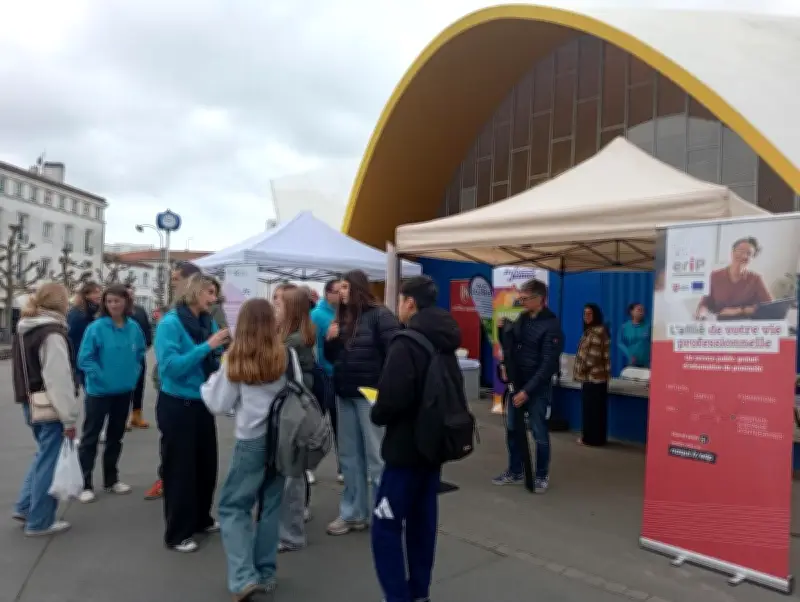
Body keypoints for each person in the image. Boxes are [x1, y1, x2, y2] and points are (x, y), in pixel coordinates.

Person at [371, 276, 459, 602]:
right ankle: (420, 593)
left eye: (400, 301)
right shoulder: (445, 338)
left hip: (404, 448)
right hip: (434, 447)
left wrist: (377, 411)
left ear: (409, 302)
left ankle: (397, 596)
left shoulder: (406, 342)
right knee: (422, 525)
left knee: (386, 526)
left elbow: (392, 399)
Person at [200, 298, 288, 601]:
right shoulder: (284, 354)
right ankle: (265, 572)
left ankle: (242, 577)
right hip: (282, 441)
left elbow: (217, 403)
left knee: (233, 506)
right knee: (270, 504)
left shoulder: (237, 358)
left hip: (251, 439)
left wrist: (210, 381)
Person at [155, 273, 230, 552]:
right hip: (177, 404)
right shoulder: (170, 324)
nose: (214, 298)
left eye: (215, 293)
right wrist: (207, 346)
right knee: (180, 470)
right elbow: (171, 367)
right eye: (209, 292)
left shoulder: (205, 322)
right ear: (194, 292)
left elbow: (207, 360)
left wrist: (220, 352)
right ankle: (177, 533)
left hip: (201, 402)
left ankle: (201, 518)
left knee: (205, 466)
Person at [324, 269, 400, 536]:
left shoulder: (380, 315)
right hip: (345, 392)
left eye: (345, 287)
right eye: (339, 288)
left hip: (370, 394)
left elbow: (396, 352)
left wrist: (385, 389)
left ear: (356, 288)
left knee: (377, 456)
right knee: (349, 457)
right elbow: (334, 358)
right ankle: (353, 513)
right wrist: (330, 342)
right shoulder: (342, 318)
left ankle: (386, 513)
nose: (340, 292)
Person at [11, 283, 80, 536]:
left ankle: (26, 506)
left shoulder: (26, 329)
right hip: (50, 406)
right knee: (49, 461)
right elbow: (58, 379)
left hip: (31, 403)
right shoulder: (52, 333)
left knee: (43, 456)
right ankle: (39, 520)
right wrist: (69, 419)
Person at [76, 284, 147, 503]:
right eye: (109, 301)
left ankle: (111, 479)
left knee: (116, 437)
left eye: (117, 300)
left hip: (123, 391)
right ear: (105, 304)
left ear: (126, 302)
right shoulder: (96, 328)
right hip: (99, 392)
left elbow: (140, 353)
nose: (114, 305)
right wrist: (100, 377)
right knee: (90, 437)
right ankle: (84, 483)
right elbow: (84, 358)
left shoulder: (134, 327)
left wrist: (133, 376)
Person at [493, 278, 562, 493]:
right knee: (513, 429)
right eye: (520, 297)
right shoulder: (522, 318)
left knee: (539, 431)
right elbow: (510, 346)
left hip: (536, 388)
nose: (521, 301)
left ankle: (541, 475)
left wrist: (527, 391)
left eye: (525, 298)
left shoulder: (551, 326)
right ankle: (516, 470)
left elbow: (548, 364)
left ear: (539, 299)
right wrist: (503, 330)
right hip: (517, 384)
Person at [144, 260, 203, 501]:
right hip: (176, 393)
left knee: (194, 453)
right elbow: (170, 364)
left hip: (199, 394)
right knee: (173, 445)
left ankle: (189, 497)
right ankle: (167, 480)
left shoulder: (206, 317)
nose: (173, 283)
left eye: (176, 279)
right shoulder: (172, 318)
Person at [275, 286, 316, 553]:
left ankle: (291, 531)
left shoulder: (292, 341)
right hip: (297, 409)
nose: (274, 307)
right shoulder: (295, 336)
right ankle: (297, 514)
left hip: (292, 410)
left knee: (291, 469)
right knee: (294, 467)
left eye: (278, 302)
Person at [310, 278, 342, 482]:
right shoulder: (317, 315)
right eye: (338, 291)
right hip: (323, 376)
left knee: (341, 426)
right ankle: (307, 466)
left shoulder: (342, 313)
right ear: (328, 293)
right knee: (317, 425)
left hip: (338, 375)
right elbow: (315, 349)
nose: (342, 295)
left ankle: (343, 468)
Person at [695, 236, 772, 320]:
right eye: (740, 251)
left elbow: (769, 307)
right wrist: (702, 314)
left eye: (749, 253)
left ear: (752, 258)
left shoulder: (756, 279)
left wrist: (740, 310)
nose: (743, 256)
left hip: (745, 326)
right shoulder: (715, 276)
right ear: (732, 252)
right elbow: (704, 304)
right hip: (718, 325)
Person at [574, 303, 611, 447]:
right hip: (595, 378)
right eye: (584, 314)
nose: (586, 316)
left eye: (589, 314)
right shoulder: (592, 331)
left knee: (592, 411)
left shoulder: (597, 332)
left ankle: (590, 439)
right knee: (596, 411)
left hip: (593, 377)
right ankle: (596, 438)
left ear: (595, 315)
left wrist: (581, 369)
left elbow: (593, 356)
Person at [126, 283, 153, 429]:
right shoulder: (120, 312)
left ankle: (137, 415)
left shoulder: (140, 310)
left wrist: (147, 344)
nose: (131, 296)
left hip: (139, 355)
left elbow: (147, 329)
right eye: (127, 294)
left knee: (139, 385)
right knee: (126, 386)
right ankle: (123, 417)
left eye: (132, 293)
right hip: (124, 356)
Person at [66, 280, 101, 388]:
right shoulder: (78, 314)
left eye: (99, 292)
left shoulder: (94, 312)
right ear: (86, 295)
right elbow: (71, 338)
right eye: (95, 292)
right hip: (83, 357)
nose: (99, 295)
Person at [618, 302, 650, 369]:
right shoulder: (625, 327)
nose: (642, 312)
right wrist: (629, 354)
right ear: (631, 312)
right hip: (632, 362)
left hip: (646, 363)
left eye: (643, 310)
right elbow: (619, 342)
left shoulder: (649, 326)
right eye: (639, 310)